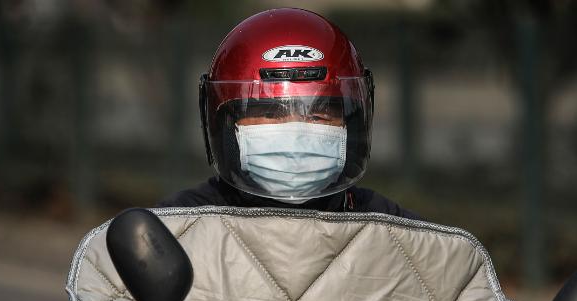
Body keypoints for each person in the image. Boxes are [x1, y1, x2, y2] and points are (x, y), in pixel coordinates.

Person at [157, 8, 422, 220]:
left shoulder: (393, 233)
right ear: (226, 126)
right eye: (272, 113)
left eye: (318, 115)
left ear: (351, 128)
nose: (296, 133)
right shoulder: (180, 228)